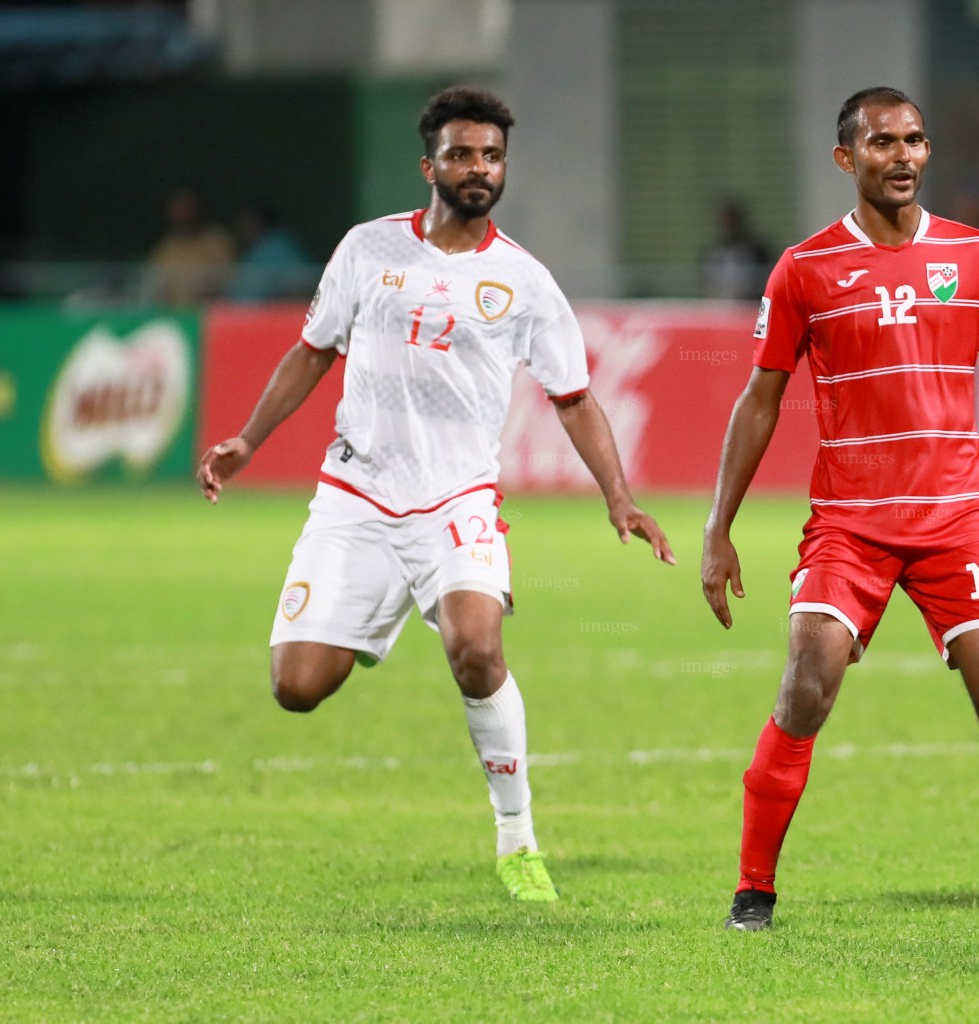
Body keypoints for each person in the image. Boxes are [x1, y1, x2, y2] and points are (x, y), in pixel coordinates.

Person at [197, 86, 675, 903]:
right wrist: (248, 438)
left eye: (491, 156)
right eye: (461, 154)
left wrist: (619, 498)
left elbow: (575, 397)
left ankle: (517, 838)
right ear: (430, 166)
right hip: (356, 494)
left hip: (457, 502)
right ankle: (374, 611)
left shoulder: (523, 281)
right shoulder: (367, 250)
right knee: (297, 688)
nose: (478, 168)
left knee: (477, 650)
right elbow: (313, 351)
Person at [701, 87, 979, 932]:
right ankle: (752, 894)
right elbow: (761, 400)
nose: (900, 156)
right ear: (847, 158)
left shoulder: (976, 256)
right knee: (805, 688)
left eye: (913, 140)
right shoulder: (806, 268)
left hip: (955, 518)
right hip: (852, 521)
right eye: (881, 143)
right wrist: (720, 528)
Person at [142, 186, 236, 305]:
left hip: (209, 314)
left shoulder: (217, 242)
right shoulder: (167, 248)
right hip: (175, 316)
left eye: (187, 206)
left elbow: (229, 283)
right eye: (178, 207)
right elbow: (153, 287)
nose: (183, 212)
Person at [227, 204, 316, 302]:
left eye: (248, 222)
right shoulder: (252, 251)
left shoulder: (279, 247)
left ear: (259, 222)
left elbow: (303, 285)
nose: (243, 228)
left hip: (276, 313)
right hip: (241, 313)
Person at [700, 199, 774, 300]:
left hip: (750, 307)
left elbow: (767, 280)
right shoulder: (716, 253)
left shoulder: (757, 251)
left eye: (732, 220)